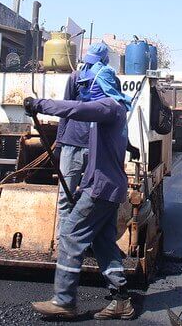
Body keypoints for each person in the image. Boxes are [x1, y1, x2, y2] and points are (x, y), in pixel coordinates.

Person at [26, 62, 136, 321]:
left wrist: (39, 104)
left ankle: (64, 301)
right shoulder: (112, 112)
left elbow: (75, 108)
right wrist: (83, 187)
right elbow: (98, 158)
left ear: (100, 84)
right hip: (105, 186)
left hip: (103, 188)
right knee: (103, 243)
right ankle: (121, 300)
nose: (85, 88)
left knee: (70, 235)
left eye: (89, 84)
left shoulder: (108, 107)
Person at [54, 43, 110, 236]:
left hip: (97, 147)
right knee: (65, 197)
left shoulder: (109, 82)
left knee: (93, 198)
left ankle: (86, 241)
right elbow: (65, 110)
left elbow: (115, 115)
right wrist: (59, 142)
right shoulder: (75, 78)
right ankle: (63, 244)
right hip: (72, 145)